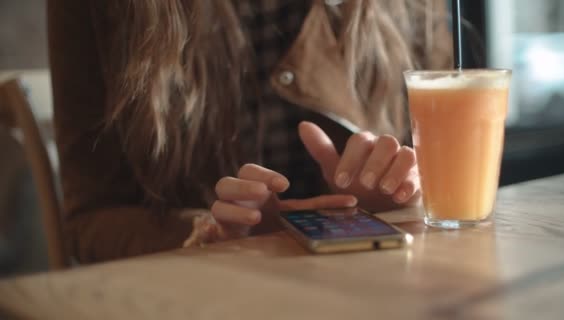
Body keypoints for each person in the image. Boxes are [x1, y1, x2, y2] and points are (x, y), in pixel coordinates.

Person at [48, 0, 451, 263]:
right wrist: (205, 231)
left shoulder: (407, 9)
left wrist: (389, 199)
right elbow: (90, 221)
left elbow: (447, 181)